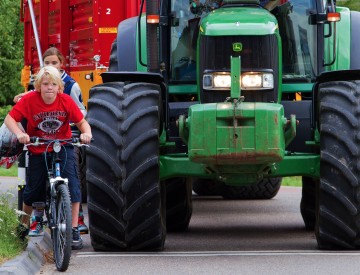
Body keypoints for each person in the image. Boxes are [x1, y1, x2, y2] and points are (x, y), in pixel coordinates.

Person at [5, 66, 92, 249]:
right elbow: (10, 119)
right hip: (38, 148)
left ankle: (73, 229)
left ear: (59, 86)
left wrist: (86, 134)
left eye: (53, 84)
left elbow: (82, 123)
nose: (49, 87)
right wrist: (20, 133)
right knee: (32, 191)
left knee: (74, 186)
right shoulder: (29, 100)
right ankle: (22, 226)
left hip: (63, 145)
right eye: (45, 84)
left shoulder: (66, 101)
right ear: (38, 86)